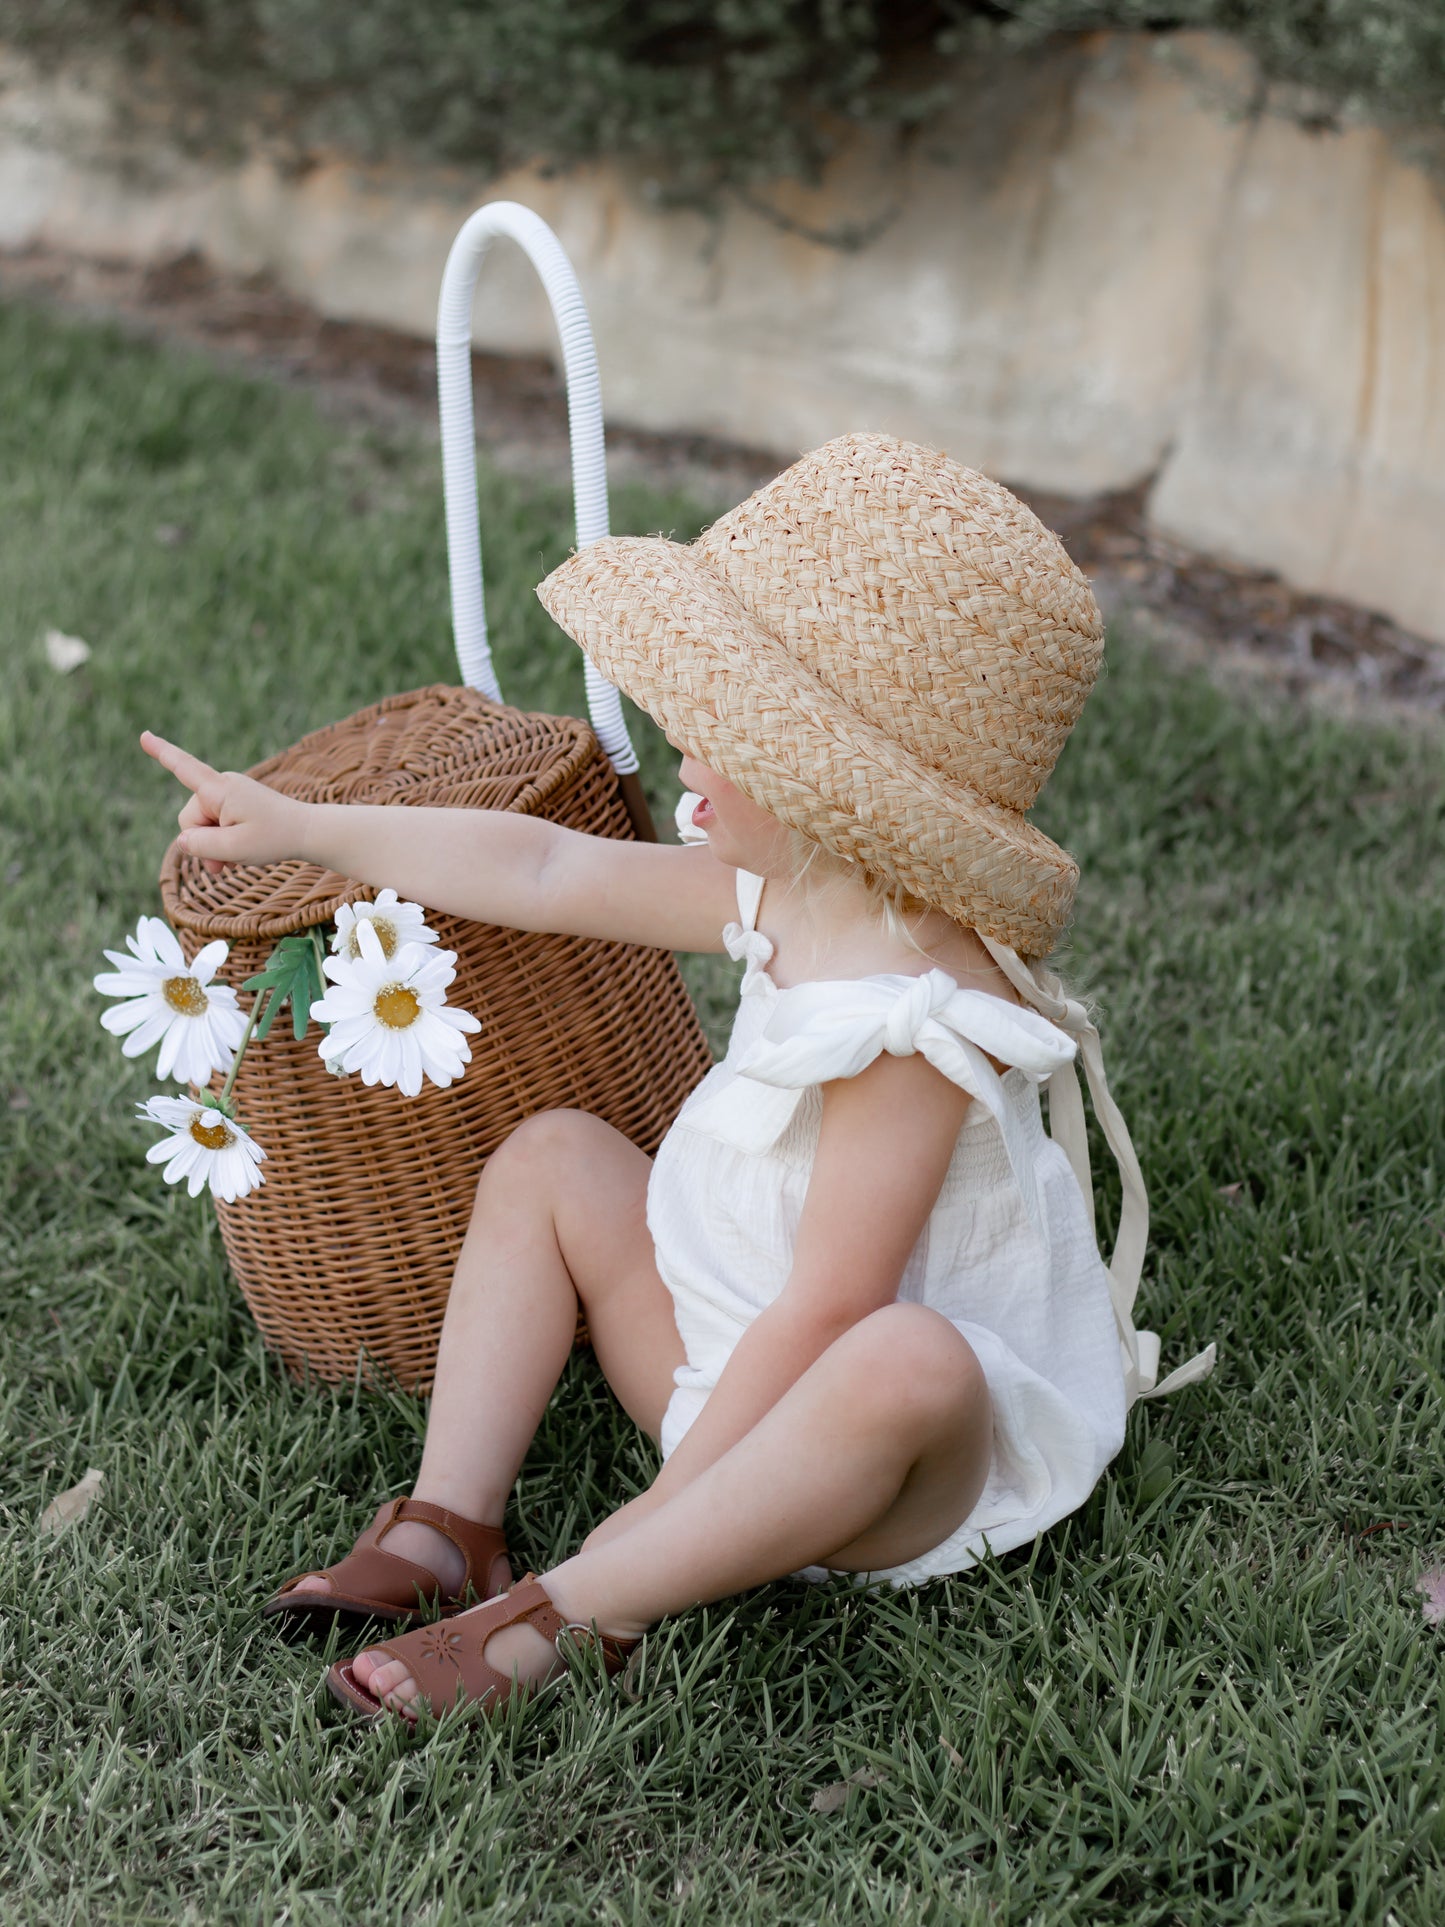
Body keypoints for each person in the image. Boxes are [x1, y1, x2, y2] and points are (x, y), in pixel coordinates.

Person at [141, 433, 1212, 1724]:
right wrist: (309, 827)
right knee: (550, 1158)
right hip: (721, 1351)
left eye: (719, 730)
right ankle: (449, 1520)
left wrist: (660, 1512)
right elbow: (545, 874)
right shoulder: (786, 881)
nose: (681, 748)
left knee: (912, 1361)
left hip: (861, 1461)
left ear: (829, 789)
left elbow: (827, 1314)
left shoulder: (917, 1025)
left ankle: (591, 1602)